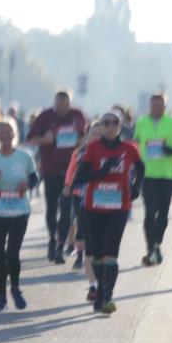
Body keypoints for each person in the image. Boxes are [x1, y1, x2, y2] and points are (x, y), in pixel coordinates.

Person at [72, 108, 145, 313]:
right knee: (96, 254)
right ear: (101, 127)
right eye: (106, 123)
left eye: (114, 123)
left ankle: (106, 297)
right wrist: (102, 171)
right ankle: (99, 292)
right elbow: (81, 178)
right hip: (93, 207)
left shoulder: (129, 149)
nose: (110, 127)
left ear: (120, 127)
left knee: (111, 253)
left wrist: (136, 188)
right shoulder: (93, 149)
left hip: (118, 207)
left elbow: (141, 168)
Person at [0, 119, 38, 311]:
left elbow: (34, 178)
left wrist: (27, 185)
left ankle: (15, 288)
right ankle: (1, 297)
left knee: (12, 254)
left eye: (8, 131)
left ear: (14, 134)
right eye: (1, 131)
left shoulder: (24, 157)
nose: (5, 134)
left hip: (19, 212)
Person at [25, 91, 85, 264]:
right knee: (51, 209)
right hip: (50, 169)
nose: (62, 110)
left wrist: (79, 141)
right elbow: (30, 139)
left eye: (65, 106)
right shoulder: (45, 116)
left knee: (66, 209)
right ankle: (52, 238)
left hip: (71, 170)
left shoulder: (77, 115)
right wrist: (44, 139)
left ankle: (60, 244)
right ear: (54, 104)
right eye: (59, 106)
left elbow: (85, 136)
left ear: (70, 104)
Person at [133, 93, 172, 266]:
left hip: (167, 175)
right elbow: (135, 142)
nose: (156, 108)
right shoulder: (141, 122)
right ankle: (150, 249)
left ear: (165, 106)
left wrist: (171, 150)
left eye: (160, 106)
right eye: (154, 106)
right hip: (147, 174)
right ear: (150, 106)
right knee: (150, 212)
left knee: (163, 214)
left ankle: (157, 244)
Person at [64, 120, 102, 301]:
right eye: (94, 133)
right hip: (80, 195)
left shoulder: (109, 152)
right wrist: (67, 185)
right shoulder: (79, 152)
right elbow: (71, 171)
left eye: (100, 134)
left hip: (100, 197)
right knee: (80, 225)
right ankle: (80, 256)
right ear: (88, 135)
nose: (96, 137)